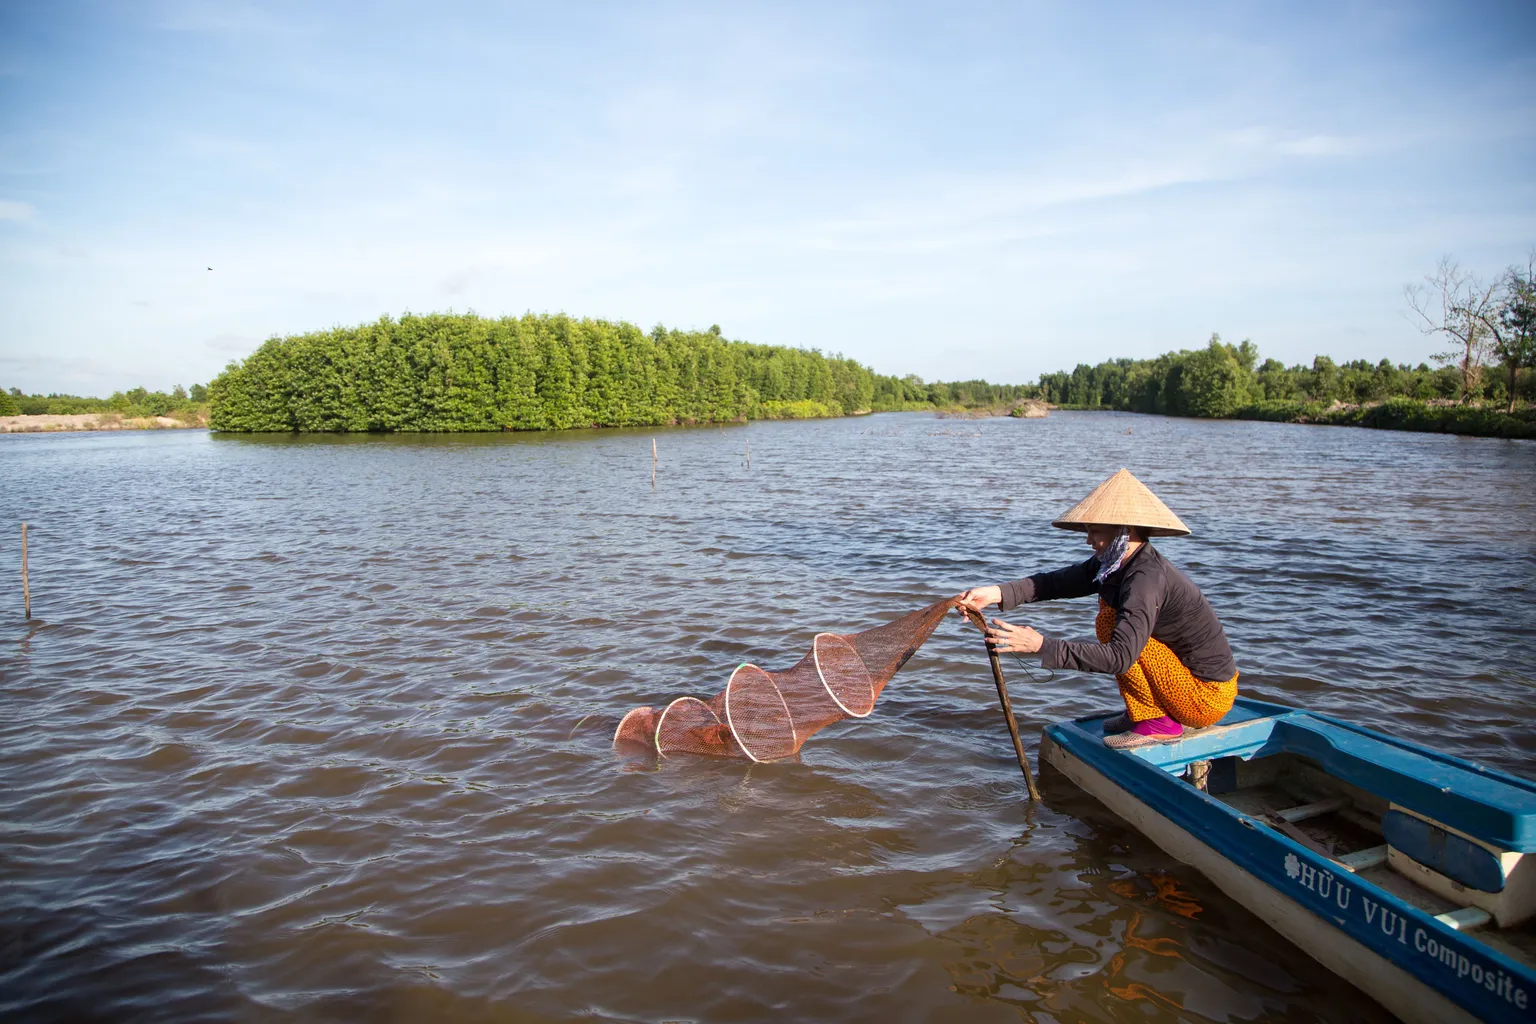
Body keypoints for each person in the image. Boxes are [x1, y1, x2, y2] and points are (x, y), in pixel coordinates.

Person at [956, 468, 1238, 749]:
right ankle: (1145, 712)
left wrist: (1040, 645)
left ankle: (1158, 721)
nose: (1088, 539)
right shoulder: (1115, 565)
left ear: (1122, 531)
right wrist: (994, 593)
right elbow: (1055, 583)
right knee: (1110, 613)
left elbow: (1120, 657)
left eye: (1094, 531)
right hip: (1183, 683)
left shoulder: (1145, 578)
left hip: (1205, 698)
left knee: (1109, 622)